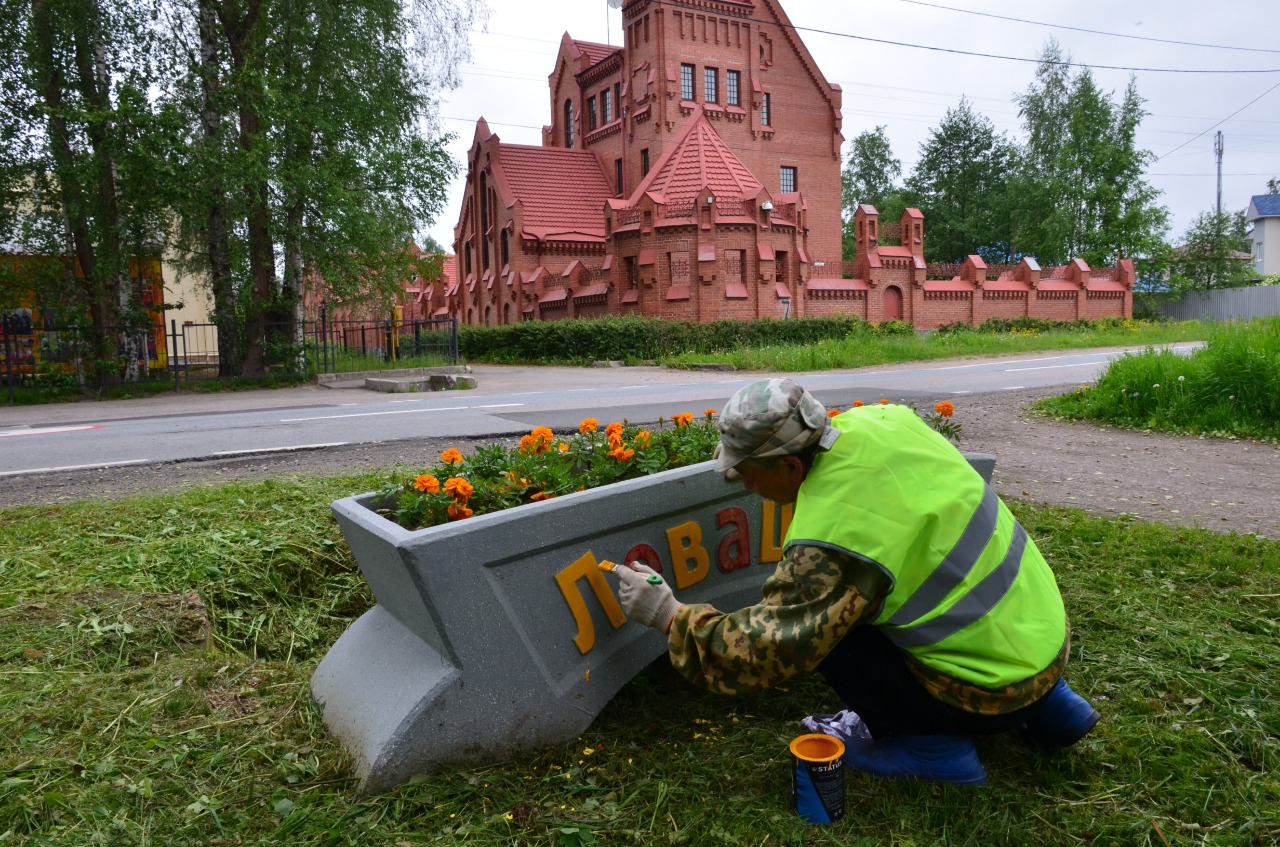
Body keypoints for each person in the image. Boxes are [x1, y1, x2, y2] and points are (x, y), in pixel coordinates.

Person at [612, 377, 1099, 786]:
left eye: (745, 472)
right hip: (1045, 647)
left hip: (991, 693)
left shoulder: (833, 545)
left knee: (830, 635)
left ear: (788, 465)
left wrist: (666, 614)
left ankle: (932, 752)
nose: (740, 482)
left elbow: (764, 653)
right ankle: (1055, 709)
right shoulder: (888, 422)